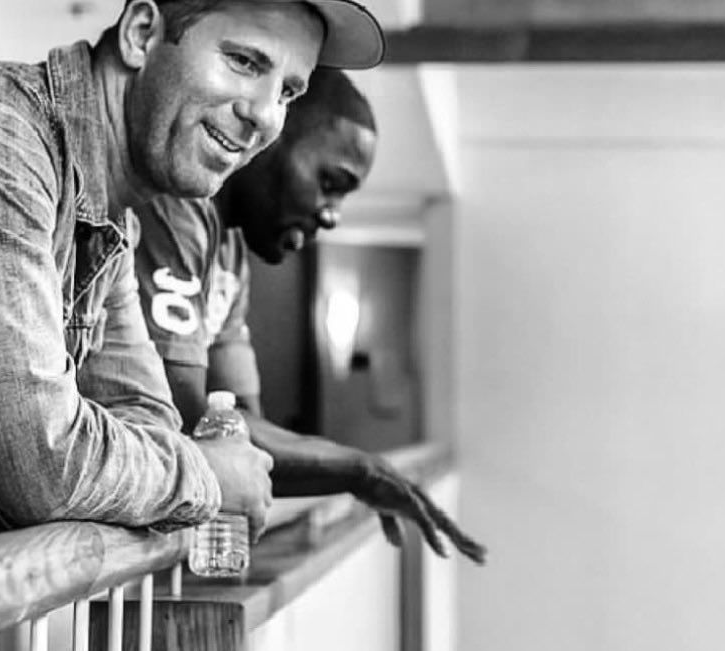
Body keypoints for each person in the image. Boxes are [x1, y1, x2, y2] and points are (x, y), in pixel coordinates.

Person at [0, 0, 385, 554]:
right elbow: (44, 463)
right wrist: (208, 474)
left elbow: (148, 421)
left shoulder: (113, 224)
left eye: (288, 92)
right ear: (141, 34)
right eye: (245, 62)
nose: (266, 117)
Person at [134, 68, 487, 562]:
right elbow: (187, 417)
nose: (331, 214)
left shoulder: (230, 255)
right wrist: (358, 469)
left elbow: (242, 436)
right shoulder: (177, 207)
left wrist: (356, 470)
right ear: (270, 136)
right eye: (329, 182)